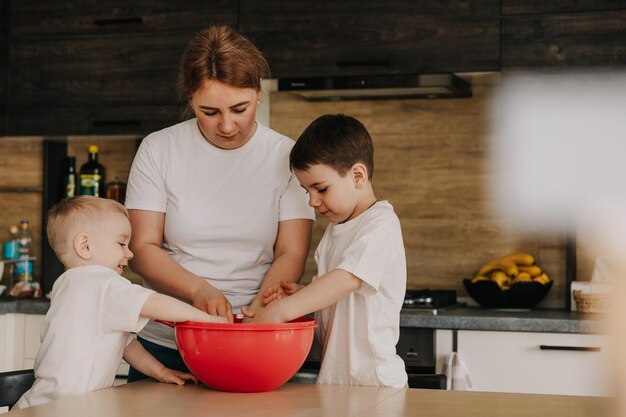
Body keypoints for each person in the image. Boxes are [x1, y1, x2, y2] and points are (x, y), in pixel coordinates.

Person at [124, 25, 314, 381]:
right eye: (208, 111)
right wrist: (199, 290)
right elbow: (143, 246)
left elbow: (291, 253)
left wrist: (259, 310)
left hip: (257, 341)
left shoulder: (287, 156)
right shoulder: (158, 150)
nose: (226, 125)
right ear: (190, 102)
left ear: (259, 94)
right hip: (168, 344)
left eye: (239, 108)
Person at [14, 196, 226, 410]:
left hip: (40, 406)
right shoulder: (101, 281)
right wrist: (208, 319)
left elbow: (124, 344)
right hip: (64, 410)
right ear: (85, 246)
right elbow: (154, 303)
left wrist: (160, 372)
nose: (130, 253)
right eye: (121, 243)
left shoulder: (67, 284)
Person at [245, 114, 408, 388]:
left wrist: (281, 311)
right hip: (336, 381)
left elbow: (347, 280)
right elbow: (336, 294)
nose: (312, 201)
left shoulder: (381, 224)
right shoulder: (337, 229)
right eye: (306, 190)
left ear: (358, 175)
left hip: (374, 383)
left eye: (320, 188)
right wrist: (303, 293)